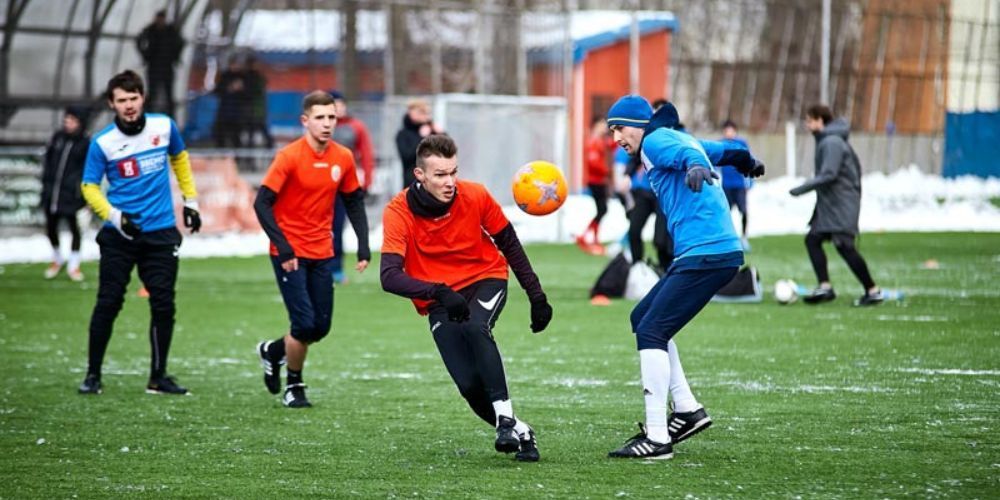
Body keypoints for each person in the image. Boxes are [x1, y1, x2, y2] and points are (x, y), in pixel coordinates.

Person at [604, 95, 763, 459]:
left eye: (620, 129)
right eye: (612, 131)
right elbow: (720, 150)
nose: (616, 138)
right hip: (707, 251)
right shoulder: (672, 137)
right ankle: (688, 410)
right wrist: (745, 159)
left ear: (640, 125)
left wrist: (694, 166)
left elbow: (691, 156)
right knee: (642, 318)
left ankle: (658, 438)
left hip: (707, 251)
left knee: (651, 331)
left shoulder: (657, 140)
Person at [380, 134, 553, 462]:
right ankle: (521, 430)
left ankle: (504, 419)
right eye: (440, 175)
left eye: (453, 172)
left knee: (476, 327)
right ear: (420, 175)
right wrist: (439, 292)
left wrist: (537, 296)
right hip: (440, 296)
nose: (450, 182)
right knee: (469, 387)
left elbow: (510, 244)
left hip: (485, 277)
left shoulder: (474, 195)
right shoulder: (398, 211)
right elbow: (389, 277)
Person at [77, 70, 202, 395]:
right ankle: (93, 375)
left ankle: (158, 377)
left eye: (133, 98)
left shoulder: (164, 126)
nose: (129, 105)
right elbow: (89, 187)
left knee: (163, 304)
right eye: (122, 100)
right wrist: (116, 217)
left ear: (142, 98)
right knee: (109, 302)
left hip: (161, 233)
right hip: (120, 237)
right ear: (112, 103)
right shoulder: (102, 142)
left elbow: (180, 158)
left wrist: (191, 201)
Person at [254, 90, 371, 408]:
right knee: (304, 324)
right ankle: (294, 385)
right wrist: (284, 247)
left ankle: (273, 351)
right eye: (320, 117)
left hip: (323, 251)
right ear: (305, 121)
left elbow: (353, 201)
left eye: (332, 117)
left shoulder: (342, 157)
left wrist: (363, 245)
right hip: (289, 254)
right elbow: (262, 203)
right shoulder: (289, 156)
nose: (327, 123)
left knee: (321, 327)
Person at [790, 105, 883, 306]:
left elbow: (829, 174)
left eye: (809, 120)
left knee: (845, 247)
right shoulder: (828, 140)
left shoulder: (831, 142)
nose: (807, 125)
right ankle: (825, 287)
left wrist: (802, 188)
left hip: (841, 204)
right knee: (813, 239)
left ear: (820, 121)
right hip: (832, 204)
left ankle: (872, 290)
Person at [329, 90, 375, 283]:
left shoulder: (356, 127)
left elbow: (366, 154)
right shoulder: (321, 127)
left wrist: (367, 181)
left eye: (340, 104)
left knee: (338, 227)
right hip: (319, 187)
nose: (338, 108)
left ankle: (336, 269)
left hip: (343, 186)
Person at [41, 106, 90, 282]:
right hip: (51, 193)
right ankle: (57, 258)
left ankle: (74, 265)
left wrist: (83, 195)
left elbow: (87, 171)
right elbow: (48, 162)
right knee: (51, 226)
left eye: (72, 120)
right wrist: (46, 185)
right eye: (66, 120)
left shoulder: (85, 143)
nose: (68, 123)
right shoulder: (57, 138)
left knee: (73, 228)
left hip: (71, 195)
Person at [619, 145, 672, 270]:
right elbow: (637, 158)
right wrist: (627, 175)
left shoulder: (675, 137)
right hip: (645, 192)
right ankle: (637, 268)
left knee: (661, 239)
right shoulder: (649, 140)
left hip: (663, 194)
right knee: (634, 230)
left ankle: (665, 269)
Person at [136, 10, 184, 116]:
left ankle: (171, 118)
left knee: (168, 94)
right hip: (154, 67)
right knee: (152, 94)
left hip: (167, 66)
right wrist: (145, 56)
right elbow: (139, 40)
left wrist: (175, 57)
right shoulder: (150, 30)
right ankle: (148, 116)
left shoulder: (170, 31)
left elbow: (180, 42)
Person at [576, 116, 611, 255]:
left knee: (602, 209)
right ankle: (587, 237)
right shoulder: (593, 142)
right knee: (602, 209)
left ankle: (591, 238)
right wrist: (607, 171)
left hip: (600, 180)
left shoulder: (601, 141)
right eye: (602, 124)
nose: (605, 127)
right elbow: (593, 163)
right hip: (595, 181)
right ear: (596, 125)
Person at [718, 119, 752, 250]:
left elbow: (749, 162)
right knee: (725, 213)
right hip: (726, 186)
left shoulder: (741, 144)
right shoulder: (720, 145)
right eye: (726, 130)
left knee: (743, 211)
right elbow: (715, 165)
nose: (729, 133)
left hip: (739, 186)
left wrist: (749, 182)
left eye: (731, 130)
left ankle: (744, 237)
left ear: (735, 131)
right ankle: (726, 238)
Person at [395, 99, 441, 189]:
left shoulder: (432, 131)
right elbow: (407, 156)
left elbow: (447, 151)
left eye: (425, 112)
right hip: (412, 183)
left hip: (434, 182)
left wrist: (441, 134)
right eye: (420, 112)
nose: (424, 115)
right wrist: (421, 138)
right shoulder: (403, 134)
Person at [213, 58, 248, 148]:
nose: (235, 67)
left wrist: (241, 89)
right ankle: (221, 154)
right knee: (221, 135)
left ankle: (237, 157)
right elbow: (217, 91)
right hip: (225, 111)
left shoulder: (243, 77)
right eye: (233, 64)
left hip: (237, 113)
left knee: (236, 136)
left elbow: (248, 96)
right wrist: (230, 88)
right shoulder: (225, 76)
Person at [244, 55, 274, 148]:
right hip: (253, 109)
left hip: (256, 109)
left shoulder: (256, 77)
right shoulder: (251, 77)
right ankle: (268, 147)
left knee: (258, 130)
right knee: (252, 132)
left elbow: (255, 91)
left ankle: (269, 147)